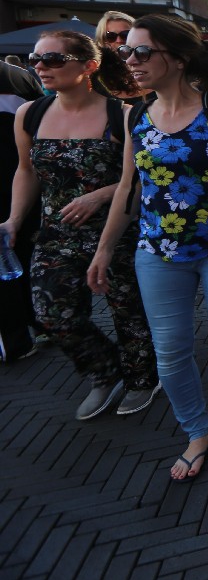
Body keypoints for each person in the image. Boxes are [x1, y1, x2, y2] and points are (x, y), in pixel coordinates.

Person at [87, 13, 208, 482]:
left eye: (141, 51)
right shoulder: (137, 115)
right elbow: (128, 188)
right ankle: (197, 433)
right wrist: (104, 248)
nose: (130, 60)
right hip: (158, 251)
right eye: (125, 51)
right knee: (170, 352)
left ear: (177, 58)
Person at [2, 31, 158, 417]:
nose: (40, 67)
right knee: (53, 313)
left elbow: (142, 178)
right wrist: (14, 219)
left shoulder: (123, 115)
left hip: (118, 230)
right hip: (56, 233)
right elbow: (26, 171)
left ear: (88, 66)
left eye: (53, 59)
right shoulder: (30, 114)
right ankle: (104, 370)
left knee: (129, 311)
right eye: (36, 59)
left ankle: (142, 378)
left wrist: (99, 195)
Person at [0, 59, 43, 362]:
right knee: (23, 255)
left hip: (20, 181)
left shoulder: (13, 76)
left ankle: (15, 338)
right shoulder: (16, 76)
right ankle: (36, 323)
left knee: (10, 261)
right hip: (24, 185)